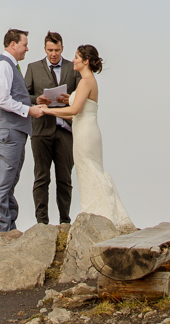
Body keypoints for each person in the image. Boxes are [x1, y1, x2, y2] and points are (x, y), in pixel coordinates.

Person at [43, 43, 135, 232]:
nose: (73, 60)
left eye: (77, 57)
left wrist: (48, 111)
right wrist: (63, 103)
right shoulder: (87, 81)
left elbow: (75, 110)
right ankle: (101, 213)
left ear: (85, 61)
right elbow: (75, 112)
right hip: (84, 129)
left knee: (89, 171)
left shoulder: (85, 81)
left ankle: (101, 214)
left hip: (85, 133)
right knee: (89, 171)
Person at [0, 28, 47, 232]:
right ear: (13, 44)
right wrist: (29, 110)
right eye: (24, 44)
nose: (27, 49)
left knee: (9, 182)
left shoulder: (11, 66)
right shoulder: (2, 66)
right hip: (7, 133)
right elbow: (2, 99)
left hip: (14, 133)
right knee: (3, 182)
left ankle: (9, 228)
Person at [25, 31, 78, 225]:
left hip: (65, 130)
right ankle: (42, 222)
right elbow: (22, 95)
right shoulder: (33, 68)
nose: (53, 54)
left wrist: (70, 98)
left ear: (62, 48)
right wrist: (37, 99)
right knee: (41, 178)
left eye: (56, 50)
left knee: (65, 179)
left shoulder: (73, 68)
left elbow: (81, 94)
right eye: (50, 50)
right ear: (45, 49)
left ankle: (65, 221)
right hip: (41, 130)